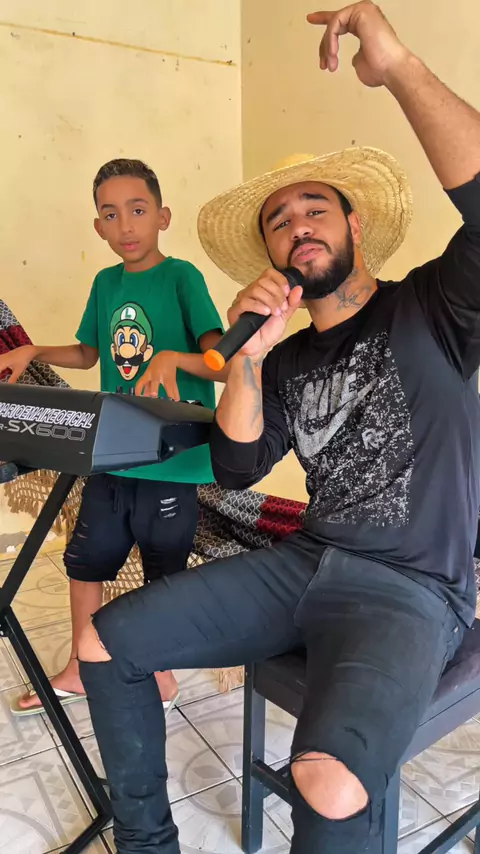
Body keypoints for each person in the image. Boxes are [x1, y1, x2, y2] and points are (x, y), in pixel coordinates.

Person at [76, 4, 480, 852]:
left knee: (327, 781)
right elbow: (235, 467)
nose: (298, 225)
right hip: (304, 565)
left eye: (315, 209)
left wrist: (398, 66)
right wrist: (247, 359)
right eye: (279, 220)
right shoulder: (283, 358)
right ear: (270, 252)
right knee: (106, 644)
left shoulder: (432, 308)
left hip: (412, 588)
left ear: (354, 225)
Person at [0, 158, 227, 716]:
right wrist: (33, 350)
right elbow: (88, 354)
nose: (125, 224)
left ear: (163, 217)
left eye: (138, 210)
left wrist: (173, 358)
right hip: (112, 455)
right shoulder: (105, 284)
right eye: (110, 214)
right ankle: (82, 668)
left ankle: (161, 676)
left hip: (172, 458)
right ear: (98, 226)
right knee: (86, 561)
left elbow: (222, 361)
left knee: (162, 575)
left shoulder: (182, 278)